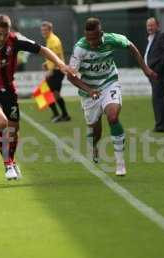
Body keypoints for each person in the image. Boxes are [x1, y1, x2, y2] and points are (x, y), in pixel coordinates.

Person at [0, 14, 75, 180]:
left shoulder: (15, 40)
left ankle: (12, 160)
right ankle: (7, 164)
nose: (2, 38)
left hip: (9, 91)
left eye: (5, 33)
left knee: (14, 130)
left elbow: (42, 49)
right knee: (2, 122)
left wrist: (61, 64)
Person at [67, 17, 157, 176]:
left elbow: (131, 47)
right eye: (89, 38)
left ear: (101, 33)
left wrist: (145, 69)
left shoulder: (112, 39)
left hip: (110, 83)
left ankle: (120, 163)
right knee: (95, 130)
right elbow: (71, 76)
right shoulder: (80, 48)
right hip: (90, 91)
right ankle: (94, 146)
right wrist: (89, 90)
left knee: (113, 117)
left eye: (95, 38)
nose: (92, 42)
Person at [144, 17, 164, 132]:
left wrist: (158, 69)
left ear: (158, 26)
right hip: (154, 74)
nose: (149, 28)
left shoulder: (162, 36)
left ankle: (161, 126)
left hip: (159, 74)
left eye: (152, 25)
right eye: (148, 25)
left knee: (159, 100)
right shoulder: (150, 38)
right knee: (161, 99)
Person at [40, 21, 71, 122]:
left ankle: (59, 114)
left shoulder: (53, 40)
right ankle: (63, 115)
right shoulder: (50, 39)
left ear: (50, 30)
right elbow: (52, 56)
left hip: (57, 71)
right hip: (57, 70)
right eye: (42, 30)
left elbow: (56, 56)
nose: (43, 32)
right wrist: (46, 63)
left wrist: (51, 69)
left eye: (45, 30)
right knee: (53, 93)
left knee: (45, 92)